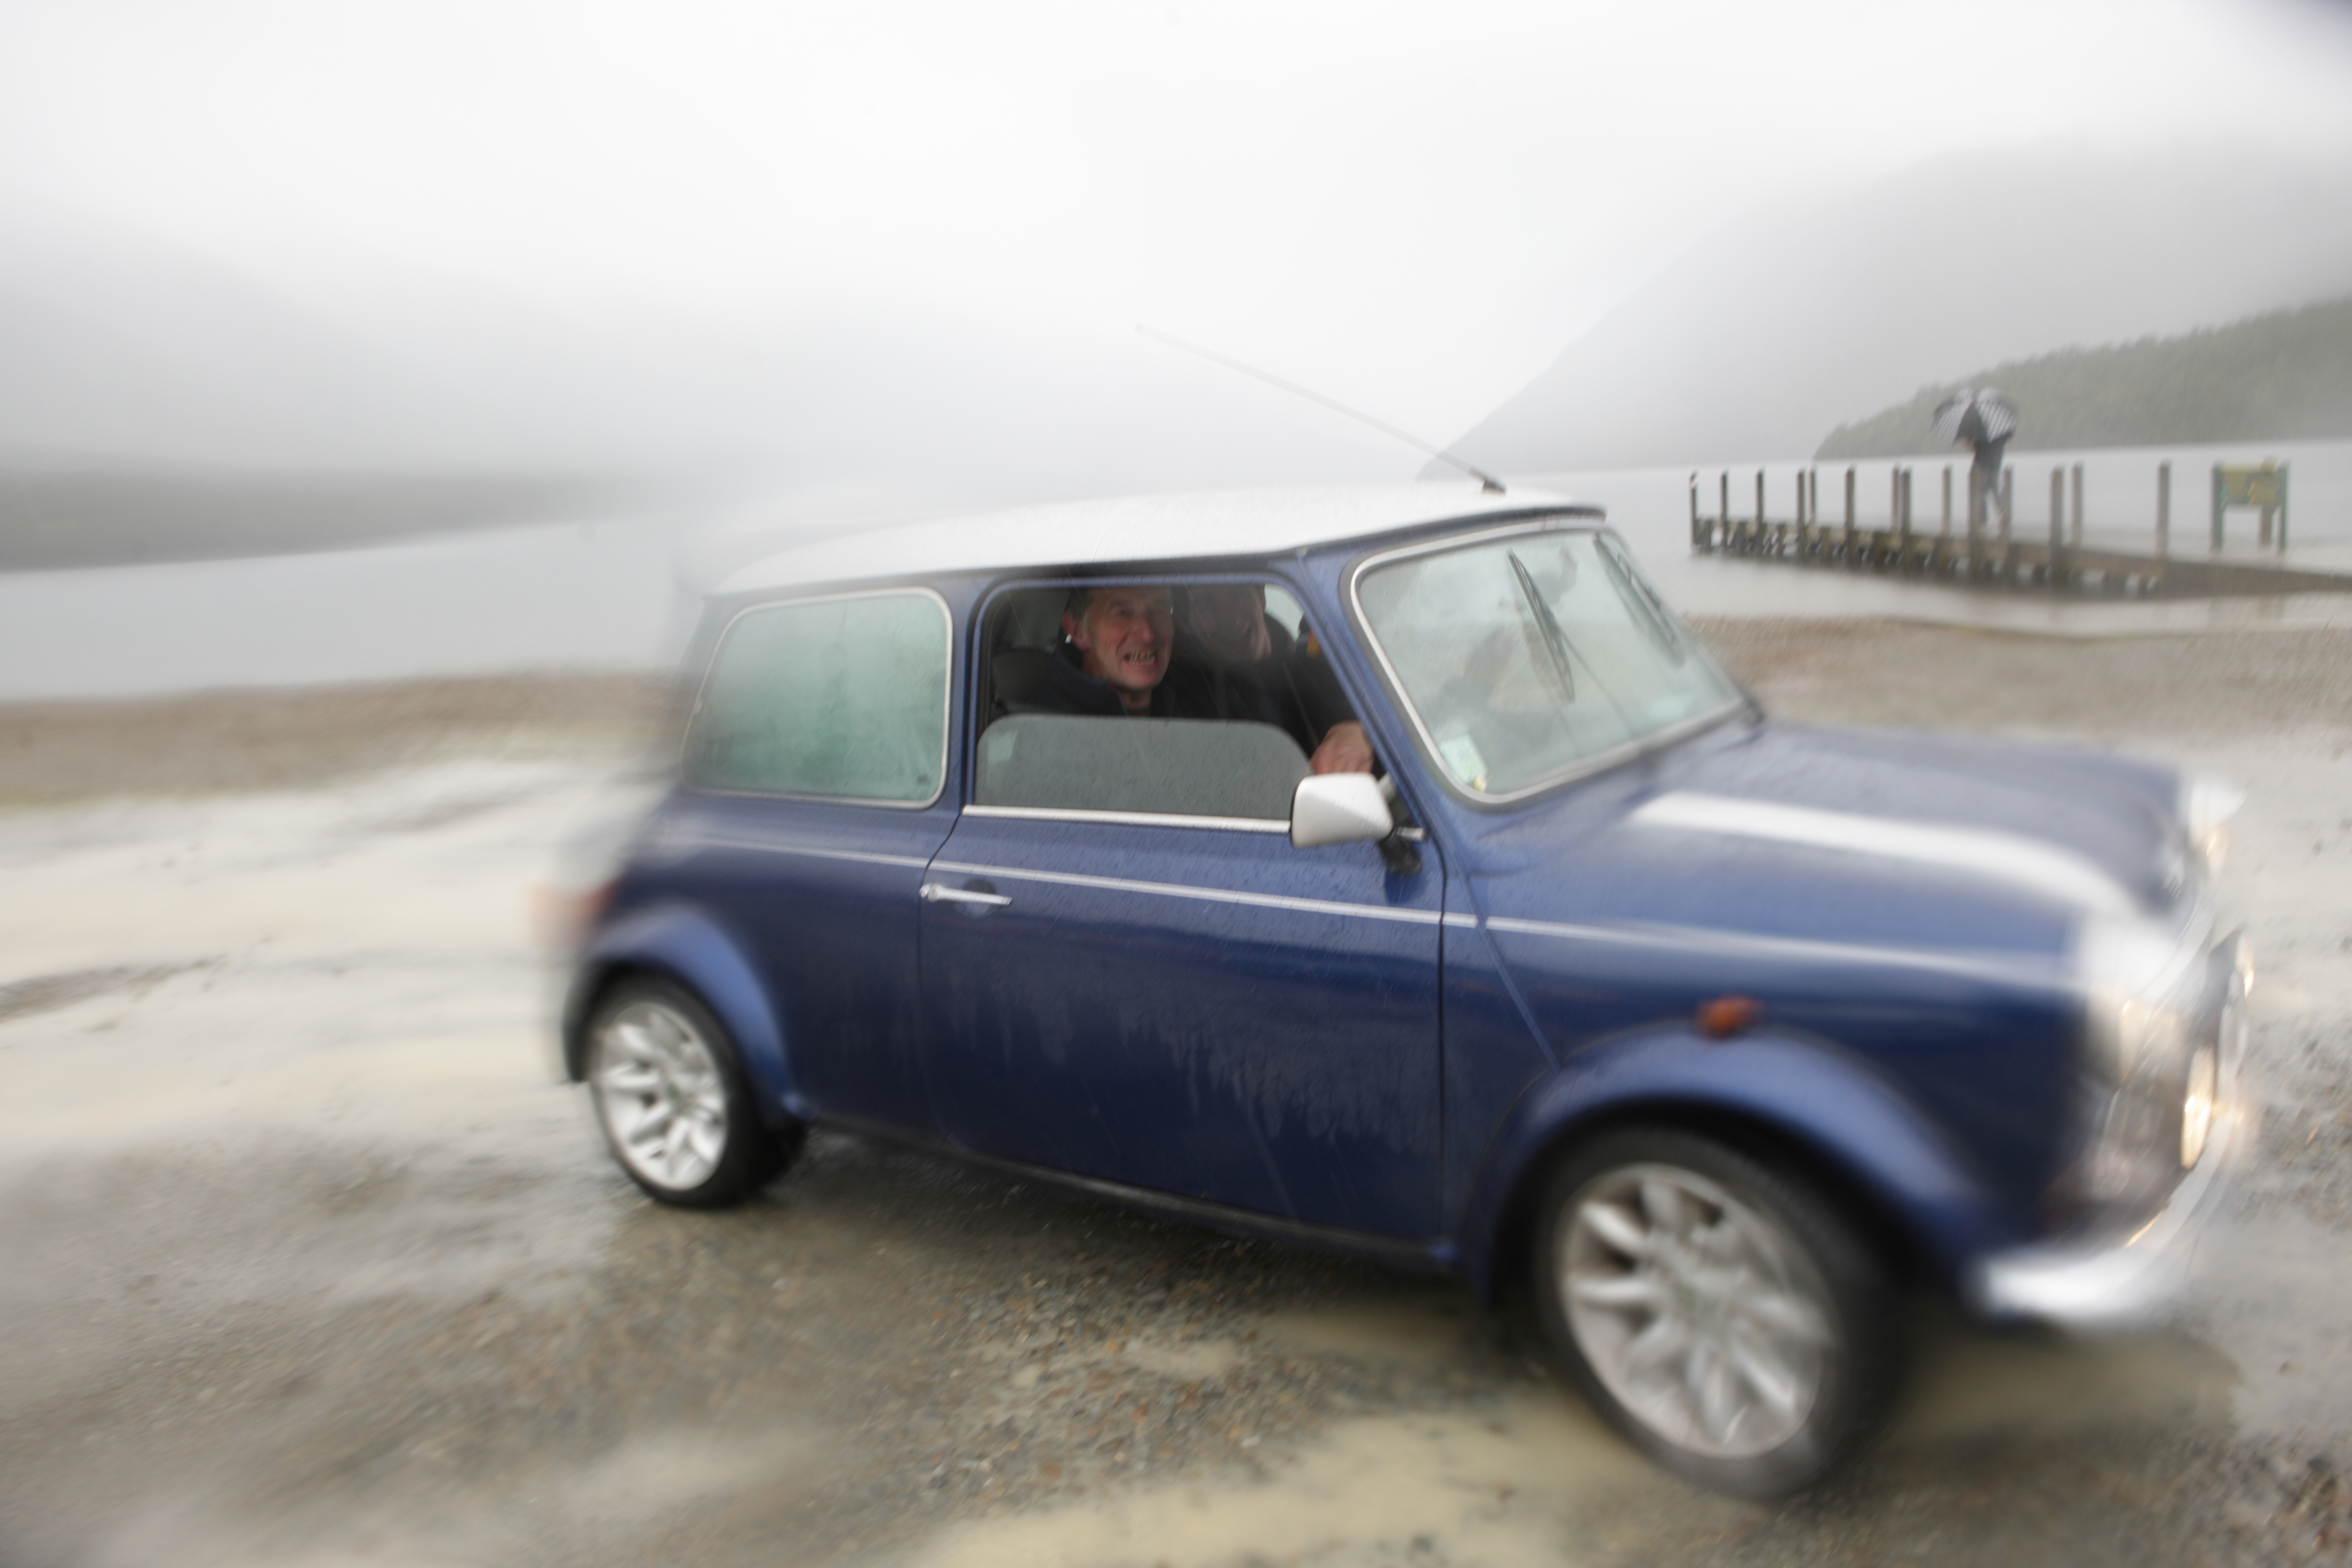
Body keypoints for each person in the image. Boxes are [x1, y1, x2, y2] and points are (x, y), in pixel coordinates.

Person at [1168, 584, 1374, 774]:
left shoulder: (1316, 666)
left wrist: (1357, 729)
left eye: (1238, 595)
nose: (1230, 618)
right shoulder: (1183, 698)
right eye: (1205, 605)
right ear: (1185, 622)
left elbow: (1376, 709)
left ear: (1261, 595)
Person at [1007, 584, 1179, 717]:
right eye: (1123, 613)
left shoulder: (1190, 696)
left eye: (1159, 610)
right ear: (1078, 632)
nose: (1148, 635)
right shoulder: (1046, 726)